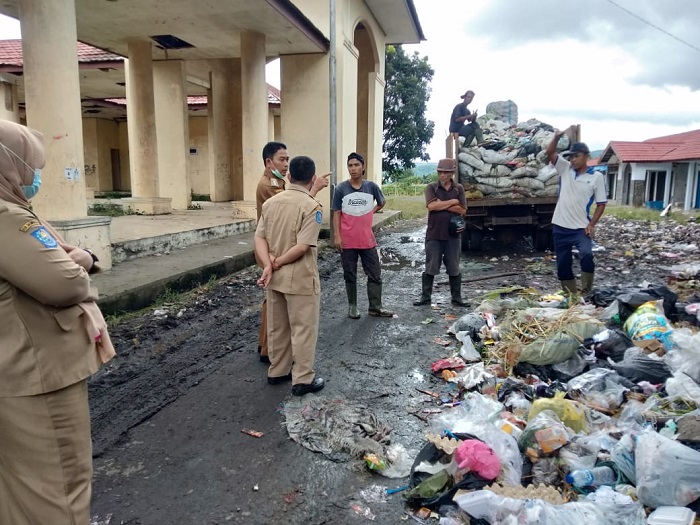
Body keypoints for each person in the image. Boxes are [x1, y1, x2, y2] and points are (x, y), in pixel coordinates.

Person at [0, 119, 115, 524]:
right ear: (9, 164)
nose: (35, 177)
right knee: (61, 487)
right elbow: (65, 283)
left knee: (20, 490)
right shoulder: (7, 217)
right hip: (37, 375)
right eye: (31, 165)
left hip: (15, 372)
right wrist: (83, 258)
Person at [255, 155, 325, 396]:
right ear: (313, 179)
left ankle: (277, 370)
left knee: (278, 326)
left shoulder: (272, 203)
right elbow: (303, 246)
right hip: (301, 278)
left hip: (275, 278)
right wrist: (278, 262)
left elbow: (259, 237)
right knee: (303, 328)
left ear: (289, 176)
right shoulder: (312, 206)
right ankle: (303, 379)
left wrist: (268, 264)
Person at [332, 152, 394, 319]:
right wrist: (337, 236)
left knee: (374, 273)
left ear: (363, 166)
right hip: (347, 240)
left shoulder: (371, 187)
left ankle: (375, 307)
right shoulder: (340, 189)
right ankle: (352, 306)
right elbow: (336, 213)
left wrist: (370, 211)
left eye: (356, 165)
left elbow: (382, 202)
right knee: (350, 274)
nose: (353, 169)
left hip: (367, 239)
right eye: (350, 165)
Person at [546, 129, 607, 294]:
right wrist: (556, 137)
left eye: (576, 156)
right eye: (571, 157)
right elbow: (549, 152)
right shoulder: (565, 169)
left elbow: (601, 203)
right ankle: (571, 296)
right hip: (560, 226)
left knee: (587, 255)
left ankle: (586, 291)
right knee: (563, 264)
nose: (572, 160)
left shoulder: (596, 177)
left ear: (586, 156)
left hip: (581, 227)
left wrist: (592, 224)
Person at [413, 158, 468, 307]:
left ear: (451, 173)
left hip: (453, 235)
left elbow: (462, 210)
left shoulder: (459, 189)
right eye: (440, 172)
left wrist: (441, 204)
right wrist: (452, 202)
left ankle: (456, 298)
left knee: (454, 267)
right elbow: (431, 207)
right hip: (434, 234)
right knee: (431, 266)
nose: (442, 175)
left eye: (445, 172)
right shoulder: (431, 187)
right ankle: (425, 298)